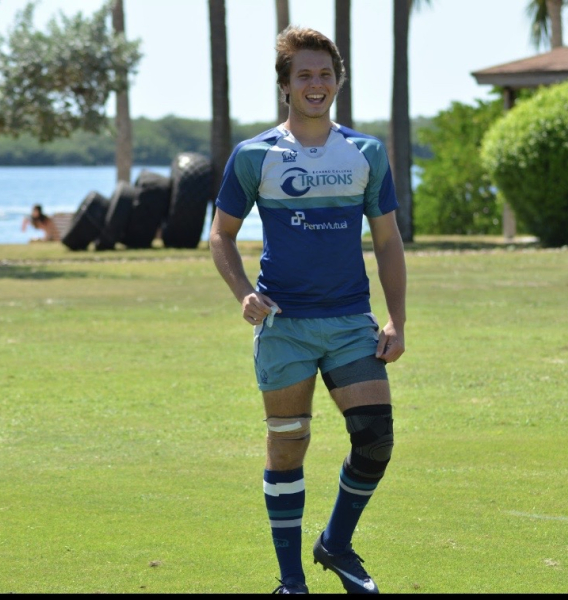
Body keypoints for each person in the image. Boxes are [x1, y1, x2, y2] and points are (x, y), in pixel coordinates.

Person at [209, 25, 406, 595]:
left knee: (375, 439)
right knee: (288, 443)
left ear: (338, 80)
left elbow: (389, 242)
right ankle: (291, 581)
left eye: (325, 73)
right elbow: (221, 235)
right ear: (286, 86)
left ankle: (336, 543)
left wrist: (396, 320)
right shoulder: (256, 156)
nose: (315, 84)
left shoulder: (365, 152)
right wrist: (244, 290)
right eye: (304, 75)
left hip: (350, 323)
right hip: (284, 327)